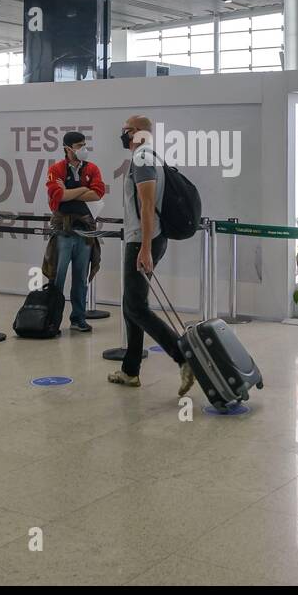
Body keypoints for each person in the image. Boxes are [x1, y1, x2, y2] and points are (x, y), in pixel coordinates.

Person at [106, 114, 195, 397]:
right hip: (148, 238)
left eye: (126, 130)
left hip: (143, 241)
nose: (123, 135)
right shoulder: (151, 156)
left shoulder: (143, 158)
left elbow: (146, 205)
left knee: (135, 307)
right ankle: (130, 371)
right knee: (131, 304)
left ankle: (183, 356)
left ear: (138, 132)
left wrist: (144, 247)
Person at [44, 130, 106, 333]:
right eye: (79, 146)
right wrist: (82, 190)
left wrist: (72, 192)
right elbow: (57, 196)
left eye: (84, 145)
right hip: (63, 231)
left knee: (80, 278)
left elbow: (97, 194)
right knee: (57, 277)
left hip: (85, 232)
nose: (83, 149)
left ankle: (78, 318)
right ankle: (51, 319)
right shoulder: (56, 169)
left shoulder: (93, 168)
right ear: (67, 148)